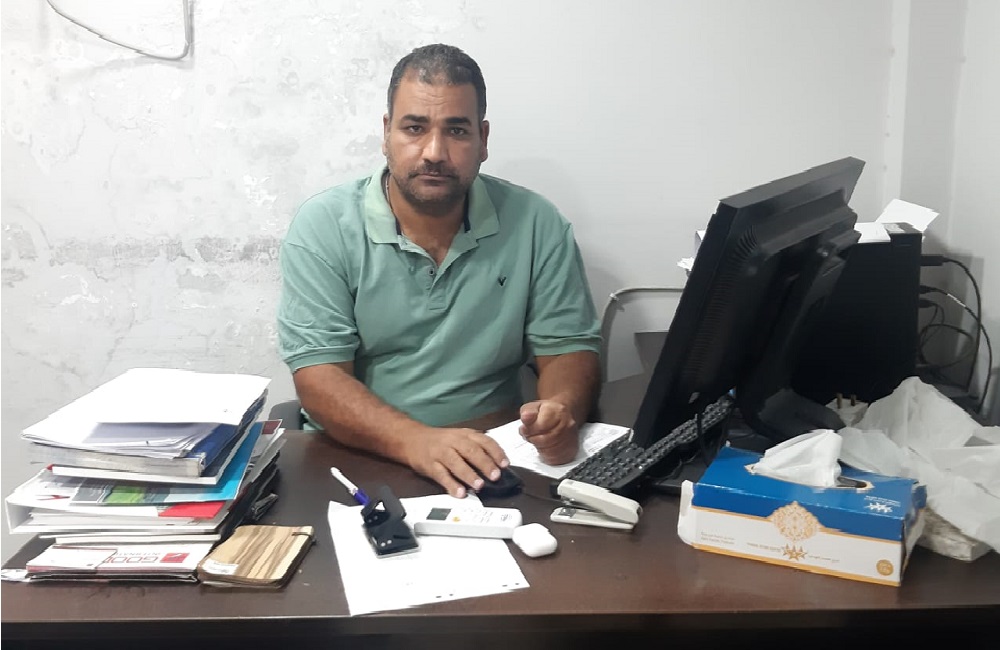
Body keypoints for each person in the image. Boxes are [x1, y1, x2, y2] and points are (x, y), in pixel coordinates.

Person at [277, 44, 601, 498]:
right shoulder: (324, 226)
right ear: (386, 133)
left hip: (496, 456)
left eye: (457, 131)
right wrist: (417, 441)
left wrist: (561, 409)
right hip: (356, 458)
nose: (434, 152)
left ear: (483, 139)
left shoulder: (536, 223)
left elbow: (569, 348)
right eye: (414, 128)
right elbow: (318, 377)